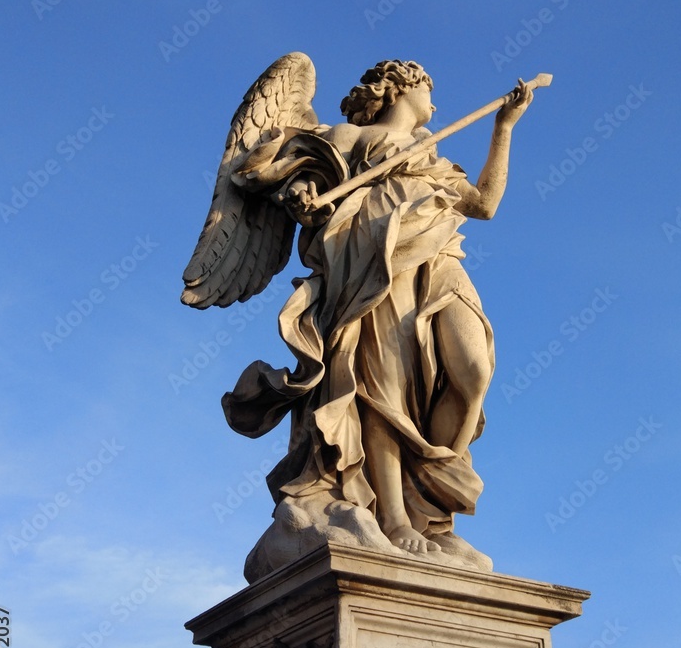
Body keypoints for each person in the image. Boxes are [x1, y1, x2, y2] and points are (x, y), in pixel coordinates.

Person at [224, 60, 533, 565]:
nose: (436, 101)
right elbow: (264, 175)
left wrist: (504, 127)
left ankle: (430, 501)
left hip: (435, 263)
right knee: (382, 388)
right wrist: (300, 193)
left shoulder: (432, 154)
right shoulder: (347, 134)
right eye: (430, 87)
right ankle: (396, 516)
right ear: (402, 88)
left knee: (471, 374)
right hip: (370, 261)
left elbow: (485, 204)